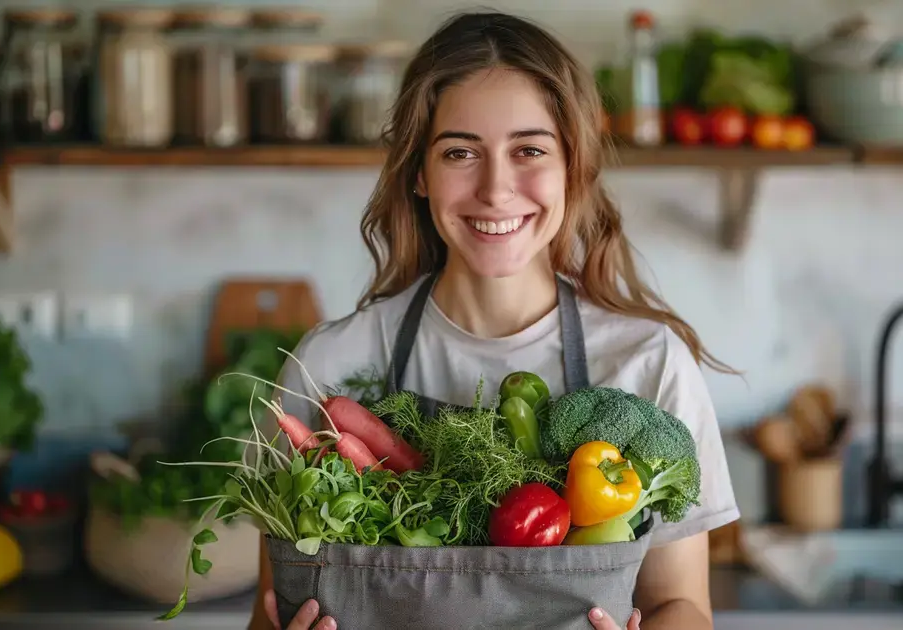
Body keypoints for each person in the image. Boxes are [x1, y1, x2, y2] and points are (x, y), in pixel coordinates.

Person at [248, 11, 740, 630]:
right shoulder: (327, 364)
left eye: (529, 150)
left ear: (573, 167)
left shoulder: (648, 362)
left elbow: (685, 608)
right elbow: (272, 612)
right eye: (460, 152)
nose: (496, 189)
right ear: (420, 173)